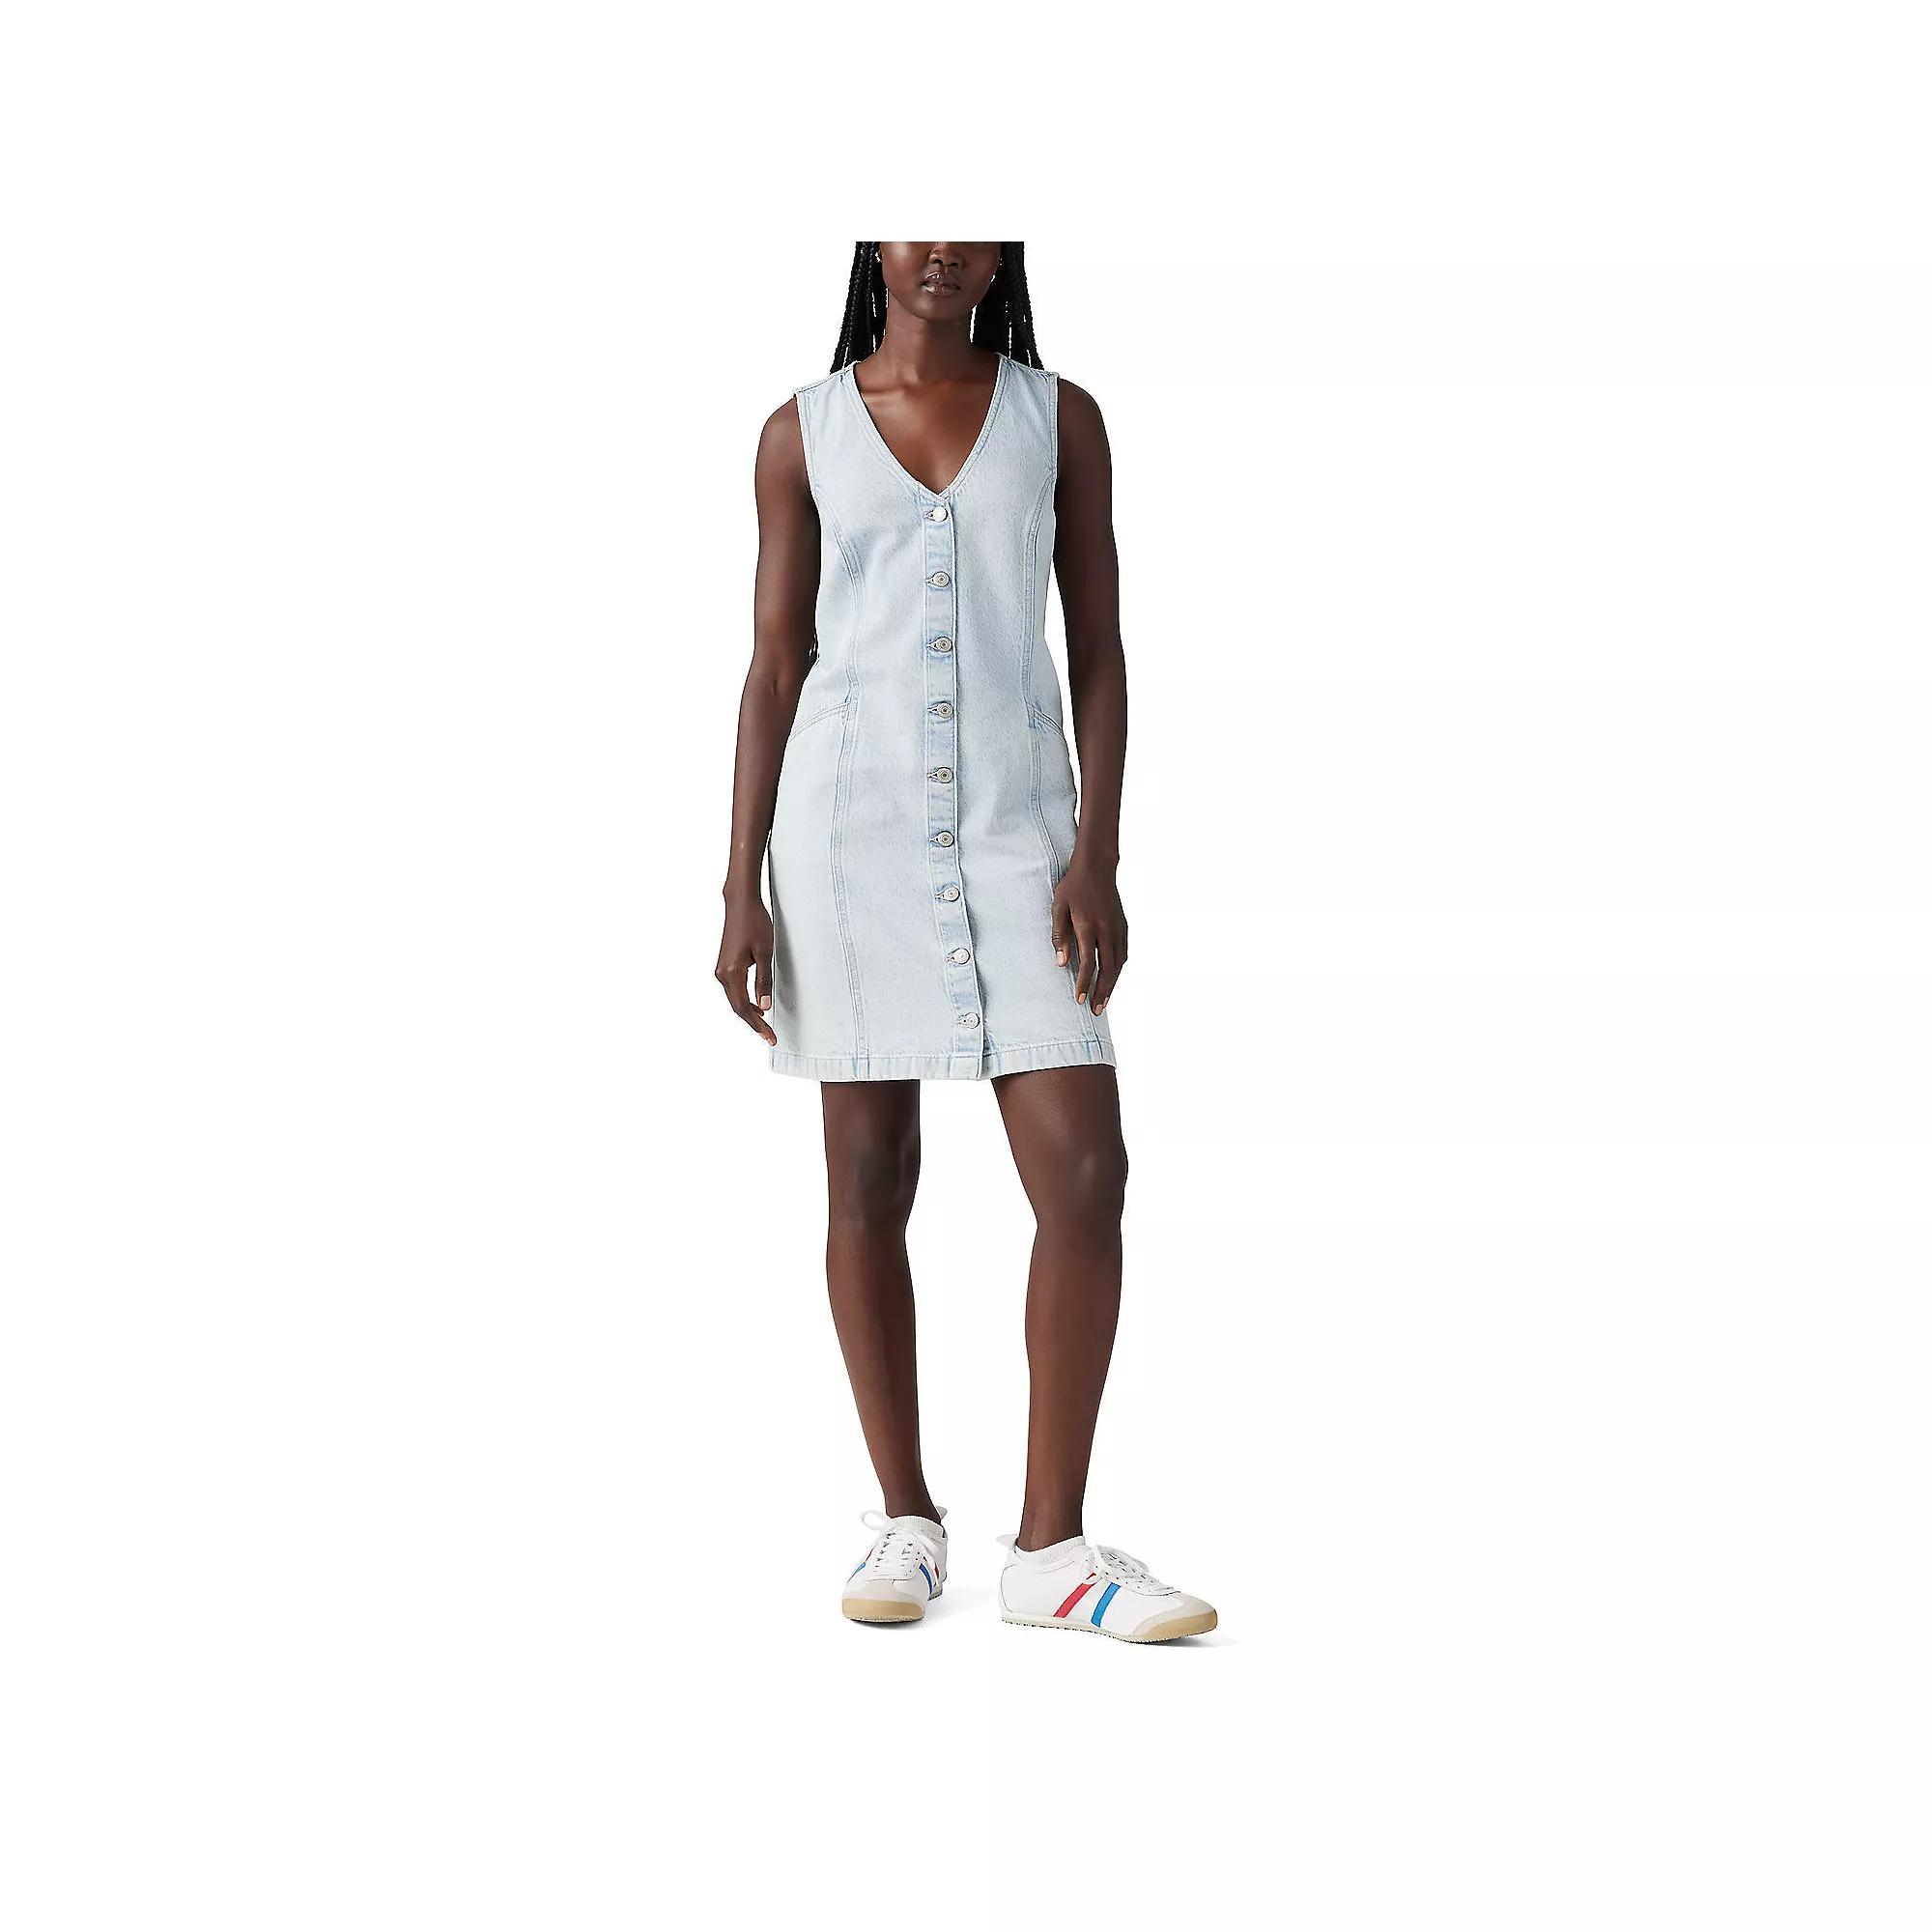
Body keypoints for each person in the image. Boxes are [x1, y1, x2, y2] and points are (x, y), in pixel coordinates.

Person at [716, 242, 1215, 1642]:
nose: (943, 247)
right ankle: (906, 1518)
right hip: (846, 836)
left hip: (1019, 838)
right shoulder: (800, 434)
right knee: (868, 1179)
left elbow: (1099, 650)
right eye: (913, 214)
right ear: (869, 240)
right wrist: (741, 883)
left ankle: (1051, 1550)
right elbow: (775, 663)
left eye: (974, 217)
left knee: (1087, 1173)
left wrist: (1094, 851)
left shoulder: (1062, 419)